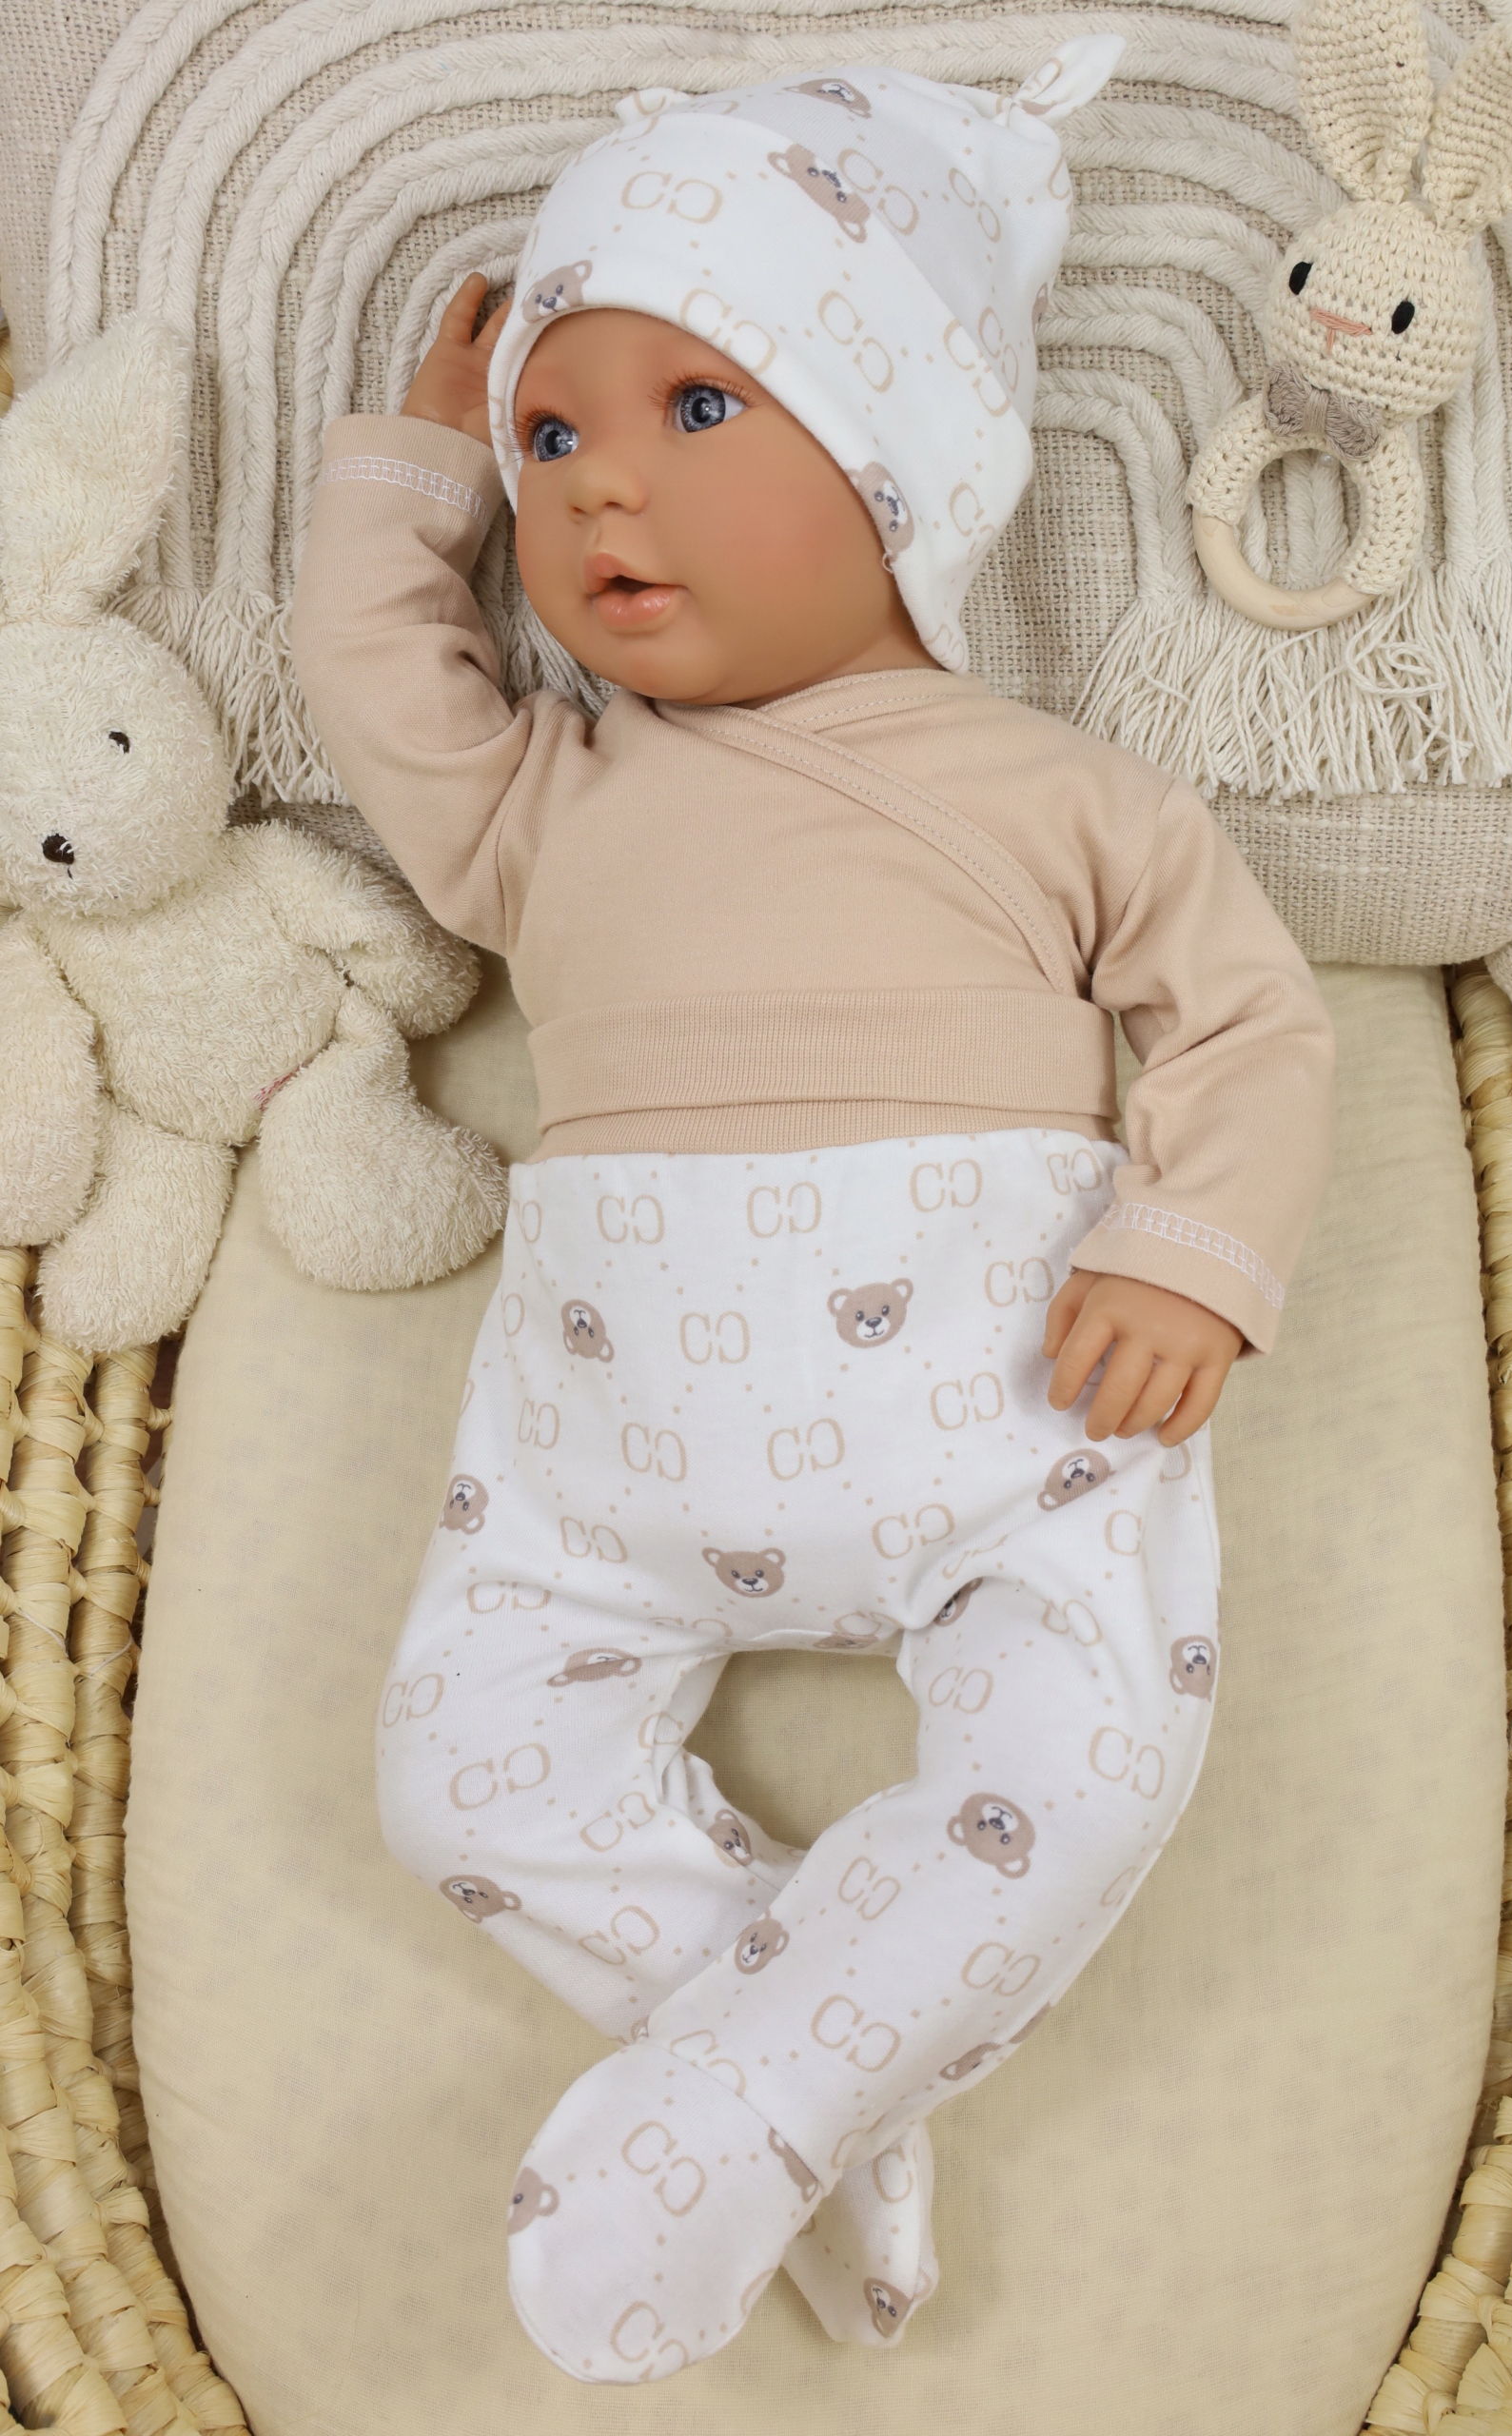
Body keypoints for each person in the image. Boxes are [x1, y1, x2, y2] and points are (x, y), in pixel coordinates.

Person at [289, 40, 1336, 2385]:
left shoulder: (1057, 792)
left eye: (694, 406)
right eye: (551, 437)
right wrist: (415, 476)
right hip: (608, 1454)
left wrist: (1191, 1248)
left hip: (1007, 1407)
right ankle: (797, 2088)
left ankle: (754, 2091)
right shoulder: (551, 800)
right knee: (456, 1780)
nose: (596, 485)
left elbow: (1248, 1022)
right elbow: (377, 684)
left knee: (1079, 1766)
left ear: (898, 459)